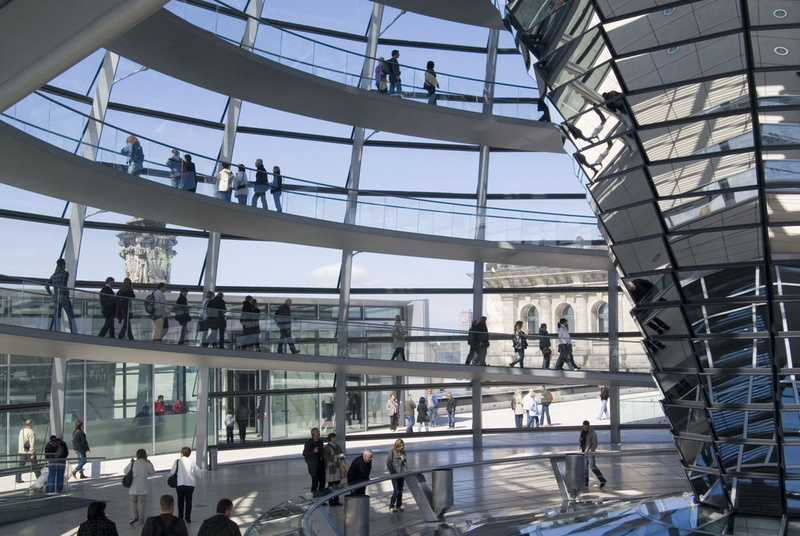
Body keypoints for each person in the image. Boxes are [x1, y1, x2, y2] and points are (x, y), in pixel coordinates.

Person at [171, 446, 202, 523]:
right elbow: (198, 472)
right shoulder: (192, 462)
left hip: (180, 484)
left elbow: (172, 472)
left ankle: (180, 516)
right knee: (188, 501)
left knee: (180, 500)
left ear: (181, 453)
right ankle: (188, 517)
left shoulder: (177, 461)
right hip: (190, 484)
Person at [125, 449, 156, 524]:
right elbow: (152, 472)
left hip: (133, 485)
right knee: (141, 503)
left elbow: (125, 471)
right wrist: (150, 463)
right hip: (143, 486)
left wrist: (130, 463)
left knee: (133, 502)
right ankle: (141, 519)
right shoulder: (146, 463)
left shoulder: (133, 463)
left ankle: (133, 517)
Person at [46, 258, 77, 333]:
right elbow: (63, 284)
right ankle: (74, 331)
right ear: (63, 265)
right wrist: (62, 294)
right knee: (70, 314)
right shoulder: (65, 273)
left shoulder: (54, 275)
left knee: (57, 314)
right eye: (65, 263)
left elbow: (46, 284)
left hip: (56, 296)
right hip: (63, 296)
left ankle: (57, 330)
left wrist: (50, 294)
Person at [580, 420, 607, 488]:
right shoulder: (582, 432)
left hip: (589, 453)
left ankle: (602, 480)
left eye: (586, 427)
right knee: (585, 468)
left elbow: (594, 443)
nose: (585, 429)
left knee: (593, 466)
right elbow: (583, 441)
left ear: (589, 426)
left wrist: (590, 451)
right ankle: (586, 483)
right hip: (584, 452)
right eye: (584, 427)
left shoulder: (592, 433)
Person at [323, 432, 345, 506]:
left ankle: (336, 500)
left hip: (337, 467)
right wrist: (336, 457)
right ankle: (331, 500)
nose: (335, 439)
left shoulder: (337, 446)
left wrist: (342, 456)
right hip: (330, 468)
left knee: (337, 485)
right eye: (333, 438)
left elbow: (341, 453)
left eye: (335, 437)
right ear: (330, 439)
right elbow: (326, 457)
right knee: (331, 485)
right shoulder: (327, 447)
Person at [302, 427, 326, 493]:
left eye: (319, 432)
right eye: (317, 432)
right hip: (314, 466)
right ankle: (314, 496)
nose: (319, 433)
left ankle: (321, 496)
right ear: (313, 434)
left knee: (322, 481)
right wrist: (313, 451)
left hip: (321, 464)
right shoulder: (309, 443)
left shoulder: (320, 442)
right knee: (315, 482)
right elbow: (305, 453)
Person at [387, 439, 407, 512]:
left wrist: (406, 471)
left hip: (401, 474)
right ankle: (391, 506)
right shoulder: (392, 452)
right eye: (400, 445)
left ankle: (399, 506)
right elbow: (389, 463)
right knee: (396, 491)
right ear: (397, 445)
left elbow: (405, 464)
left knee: (400, 491)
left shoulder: (403, 452)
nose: (402, 447)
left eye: (402, 445)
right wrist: (393, 473)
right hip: (395, 474)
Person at [16, 419, 39, 483]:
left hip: (22, 451)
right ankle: (39, 478)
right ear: (31, 424)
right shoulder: (31, 432)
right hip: (29, 452)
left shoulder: (21, 431)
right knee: (35, 465)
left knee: (21, 466)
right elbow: (32, 443)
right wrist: (32, 453)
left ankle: (18, 479)